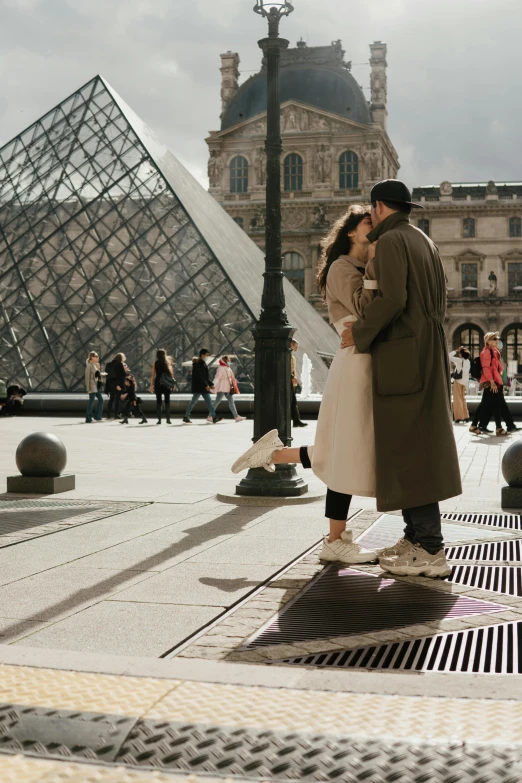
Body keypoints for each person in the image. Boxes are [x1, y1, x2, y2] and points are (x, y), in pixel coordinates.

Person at [232, 205, 380, 566]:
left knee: (346, 448)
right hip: (357, 362)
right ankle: (334, 538)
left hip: (364, 358)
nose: (376, 228)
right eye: (368, 223)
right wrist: (378, 265)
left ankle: (276, 454)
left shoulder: (357, 267)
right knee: (347, 449)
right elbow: (366, 312)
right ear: (350, 232)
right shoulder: (343, 268)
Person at [469, 332, 520, 436]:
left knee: (493, 404)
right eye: (494, 339)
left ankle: (479, 426)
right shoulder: (486, 352)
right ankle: (496, 427)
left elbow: (498, 368)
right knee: (491, 404)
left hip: (496, 381)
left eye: (497, 339)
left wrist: (501, 369)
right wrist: (492, 382)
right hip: (490, 382)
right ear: (488, 341)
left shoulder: (495, 352)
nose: (497, 341)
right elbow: (486, 368)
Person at [183, 349, 222, 424]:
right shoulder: (197, 364)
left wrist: (210, 384)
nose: (207, 356)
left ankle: (213, 417)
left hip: (202, 386)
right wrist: (206, 385)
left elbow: (205, 377)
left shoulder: (203, 363)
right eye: (206, 355)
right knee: (198, 402)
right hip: (200, 386)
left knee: (204, 402)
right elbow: (199, 376)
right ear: (202, 354)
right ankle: (213, 417)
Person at [213, 356, 246, 422]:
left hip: (227, 388)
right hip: (222, 387)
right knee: (217, 401)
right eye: (229, 359)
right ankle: (210, 415)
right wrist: (212, 385)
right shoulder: (221, 368)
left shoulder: (227, 368)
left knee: (231, 402)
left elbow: (230, 377)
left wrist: (234, 381)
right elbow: (217, 378)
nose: (230, 360)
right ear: (225, 360)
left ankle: (236, 416)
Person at [149, 349, 174, 424]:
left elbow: (152, 375)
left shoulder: (155, 363)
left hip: (158, 383)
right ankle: (168, 419)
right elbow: (171, 375)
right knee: (167, 401)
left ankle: (159, 420)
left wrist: (151, 386)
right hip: (166, 383)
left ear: (157, 355)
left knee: (158, 402)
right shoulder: (167, 363)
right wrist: (172, 384)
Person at [449, 346, 471, 423]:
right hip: (465, 382)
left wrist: (456, 350)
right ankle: (466, 416)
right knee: (463, 399)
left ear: (461, 354)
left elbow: (449, 356)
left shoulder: (459, 360)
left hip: (458, 381)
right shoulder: (468, 361)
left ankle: (459, 417)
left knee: (457, 399)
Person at [290, 339, 307, 427]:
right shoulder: (287, 355)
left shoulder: (291, 355)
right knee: (292, 403)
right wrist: (292, 377)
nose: (296, 349)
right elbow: (286, 367)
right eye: (295, 347)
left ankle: (296, 420)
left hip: (292, 383)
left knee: (293, 402)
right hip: (289, 382)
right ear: (291, 345)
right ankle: (296, 420)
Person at [105, 353, 127, 419]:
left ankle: (108, 414)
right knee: (117, 400)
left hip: (110, 384)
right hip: (117, 384)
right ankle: (116, 414)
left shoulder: (109, 364)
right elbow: (123, 375)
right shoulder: (119, 364)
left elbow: (107, 374)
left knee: (111, 399)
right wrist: (122, 386)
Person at [85, 351, 104, 423]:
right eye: (96, 356)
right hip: (92, 386)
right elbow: (87, 377)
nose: (97, 358)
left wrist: (99, 371)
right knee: (91, 402)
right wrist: (88, 387)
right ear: (92, 357)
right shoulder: (89, 365)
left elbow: (96, 375)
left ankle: (97, 416)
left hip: (96, 386)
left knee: (100, 400)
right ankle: (88, 418)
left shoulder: (94, 365)